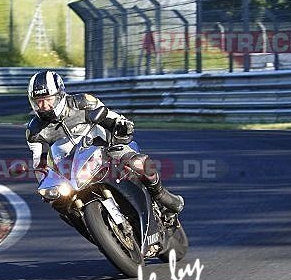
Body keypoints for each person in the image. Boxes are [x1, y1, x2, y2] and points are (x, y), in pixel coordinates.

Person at [25, 70, 184, 214]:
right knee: (58, 202)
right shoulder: (34, 130)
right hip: (71, 169)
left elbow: (112, 117)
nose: (44, 106)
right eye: (39, 101)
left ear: (59, 95)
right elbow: (39, 163)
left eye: (48, 100)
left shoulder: (83, 103)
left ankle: (162, 195)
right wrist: (45, 183)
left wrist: (123, 126)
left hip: (106, 149)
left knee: (140, 163)